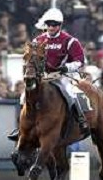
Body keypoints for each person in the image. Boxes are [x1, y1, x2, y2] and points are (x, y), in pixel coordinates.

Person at [8, 7, 90, 141]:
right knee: (23, 97)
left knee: (70, 94)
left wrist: (66, 68)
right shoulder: (37, 41)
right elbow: (31, 60)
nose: (51, 27)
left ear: (60, 25)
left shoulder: (70, 41)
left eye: (55, 24)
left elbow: (80, 61)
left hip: (61, 75)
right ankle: (21, 127)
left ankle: (81, 120)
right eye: (49, 24)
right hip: (42, 76)